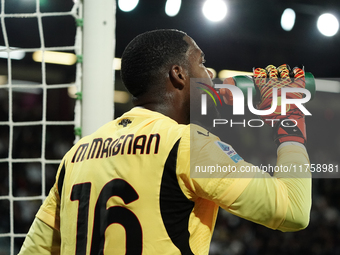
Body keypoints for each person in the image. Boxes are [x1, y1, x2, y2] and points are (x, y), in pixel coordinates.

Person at [18, 29, 311, 255]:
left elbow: (34, 250)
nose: (209, 74)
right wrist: (291, 125)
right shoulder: (188, 144)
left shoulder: (77, 154)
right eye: (202, 63)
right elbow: (294, 210)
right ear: (178, 74)